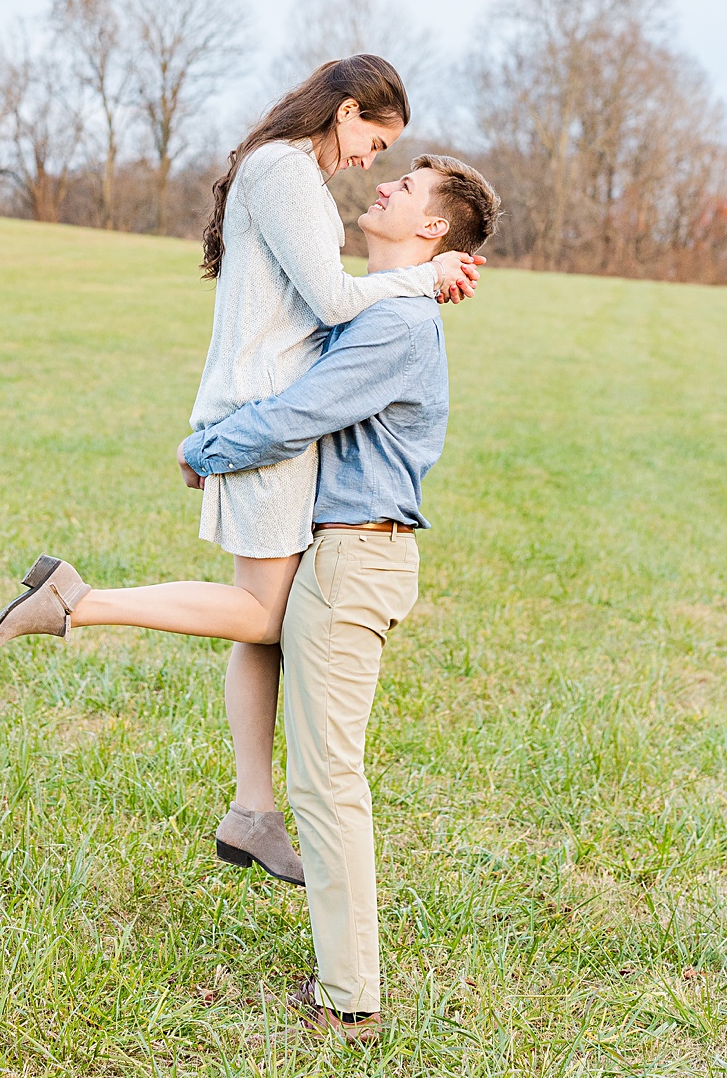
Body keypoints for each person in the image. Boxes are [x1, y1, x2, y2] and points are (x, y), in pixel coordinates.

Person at [0, 58, 482, 884]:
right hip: (266, 422)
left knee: (266, 623)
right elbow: (330, 300)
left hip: (264, 418)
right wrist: (424, 276)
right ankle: (78, 601)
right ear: (347, 112)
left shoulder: (289, 174)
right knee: (261, 613)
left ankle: (251, 809)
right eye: (374, 141)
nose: (371, 164)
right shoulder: (285, 172)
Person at [178, 154, 501, 1040]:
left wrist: (204, 450)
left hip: (356, 560)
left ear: (434, 229)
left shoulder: (399, 329)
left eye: (408, 189)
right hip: (345, 553)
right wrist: (424, 280)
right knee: (318, 761)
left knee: (326, 781)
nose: (385, 186)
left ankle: (350, 994)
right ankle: (259, 829)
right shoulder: (396, 306)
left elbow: (298, 413)